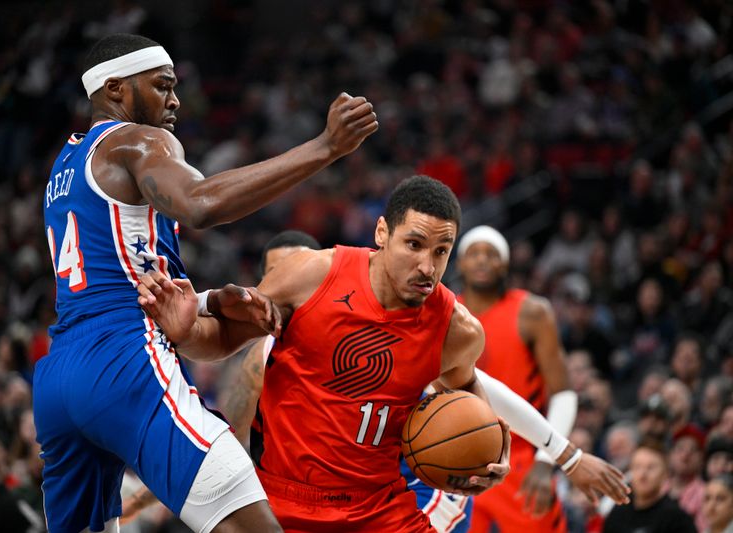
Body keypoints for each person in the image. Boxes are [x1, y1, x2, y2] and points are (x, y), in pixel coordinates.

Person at [137, 176, 629, 531]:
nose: (427, 265)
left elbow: (473, 396)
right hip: (281, 499)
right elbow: (222, 340)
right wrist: (185, 333)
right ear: (381, 234)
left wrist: (492, 452)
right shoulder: (310, 274)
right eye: (414, 244)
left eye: (441, 251)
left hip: (378, 507)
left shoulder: (456, 328)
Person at [34, 32, 378, 533]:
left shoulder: (63, 169)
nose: (175, 100)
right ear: (114, 90)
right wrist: (325, 148)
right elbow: (200, 204)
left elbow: (121, 284)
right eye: (161, 85)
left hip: (59, 377)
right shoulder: (137, 140)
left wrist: (209, 300)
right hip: (121, 360)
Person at [455, 225, 578, 533]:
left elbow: (563, 393)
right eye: (474, 253)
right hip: (455, 458)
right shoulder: (444, 310)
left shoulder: (532, 312)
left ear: (505, 264)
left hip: (521, 457)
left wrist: (546, 460)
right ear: (460, 264)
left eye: (491, 254)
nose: (483, 260)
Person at [603, 443, 697, 533]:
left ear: (665, 474)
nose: (642, 475)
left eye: (651, 468)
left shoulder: (677, 519)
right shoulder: (619, 512)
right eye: (637, 467)